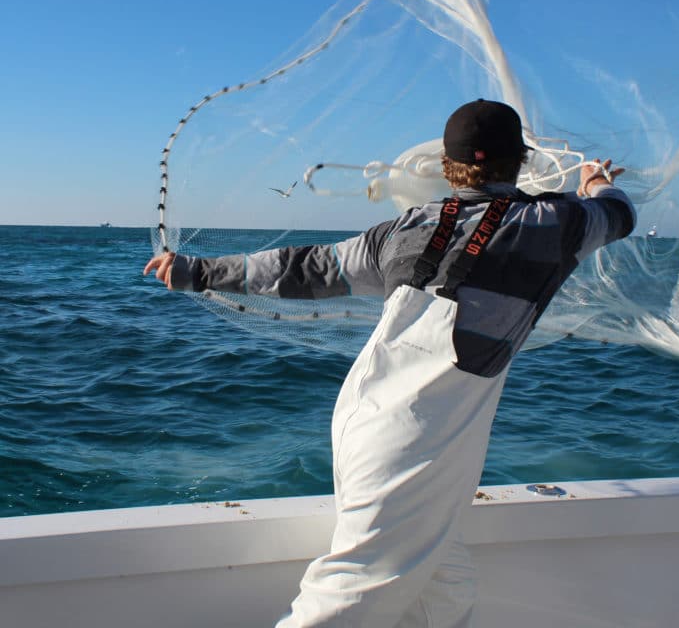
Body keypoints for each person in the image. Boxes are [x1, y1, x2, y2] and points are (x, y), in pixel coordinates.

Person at [144, 99, 635, 627]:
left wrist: (198, 270)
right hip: (417, 439)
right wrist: (595, 181)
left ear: (446, 166)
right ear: (519, 162)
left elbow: (306, 268)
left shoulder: (405, 228)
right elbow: (620, 214)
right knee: (349, 596)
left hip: (370, 414)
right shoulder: (554, 224)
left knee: (445, 582)